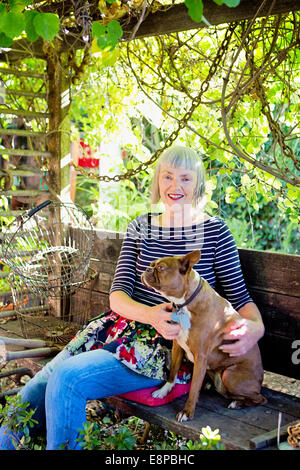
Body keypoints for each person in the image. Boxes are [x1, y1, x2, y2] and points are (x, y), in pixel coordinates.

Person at [0, 145, 265, 450]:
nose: (174, 186)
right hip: (116, 332)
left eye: (185, 178)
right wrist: (151, 315)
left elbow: (242, 302)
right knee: (31, 392)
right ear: (157, 181)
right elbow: (118, 296)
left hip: (163, 351)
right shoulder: (141, 226)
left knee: (67, 379)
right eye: (167, 176)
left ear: (198, 183)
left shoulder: (216, 232)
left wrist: (255, 329)